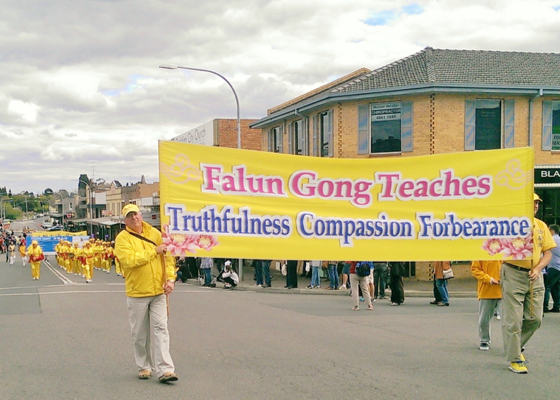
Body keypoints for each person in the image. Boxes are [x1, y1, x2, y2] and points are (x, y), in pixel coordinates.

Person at [114, 204, 178, 383]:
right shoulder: (122, 239)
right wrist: (153, 251)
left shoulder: (156, 234)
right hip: (137, 293)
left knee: (161, 329)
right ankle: (143, 366)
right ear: (125, 220)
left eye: (136, 214)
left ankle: (165, 369)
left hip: (158, 291)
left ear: (141, 216)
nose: (134, 217)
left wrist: (171, 279)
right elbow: (129, 261)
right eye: (130, 215)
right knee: (140, 334)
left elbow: (168, 258)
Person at [501, 193, 556, 374]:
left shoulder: (541, 226)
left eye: (537, 203)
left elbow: (548, 253)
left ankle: (515, 346)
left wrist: (538, 268)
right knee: (514, 320)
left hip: (535, 276)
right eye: (532, 203)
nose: (535, 206)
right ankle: (515, 358)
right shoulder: (511, 224)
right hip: (513, 273)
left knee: (535, 319)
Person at [471, 260, 502, 351]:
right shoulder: (480, 254)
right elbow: (475, 270)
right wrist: (489, 279)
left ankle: (514, 343)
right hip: (486, 291)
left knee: (508, 320)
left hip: (504, 291)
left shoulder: (504, 251)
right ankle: (484, 340)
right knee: (484, 319)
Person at [543, 224, 560, 313]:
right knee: (556, 287)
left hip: (553, 266)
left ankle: (544, 306)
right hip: (559, 267)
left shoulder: (552, 240)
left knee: (547, 286)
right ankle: (557, 306)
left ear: (552, 231)